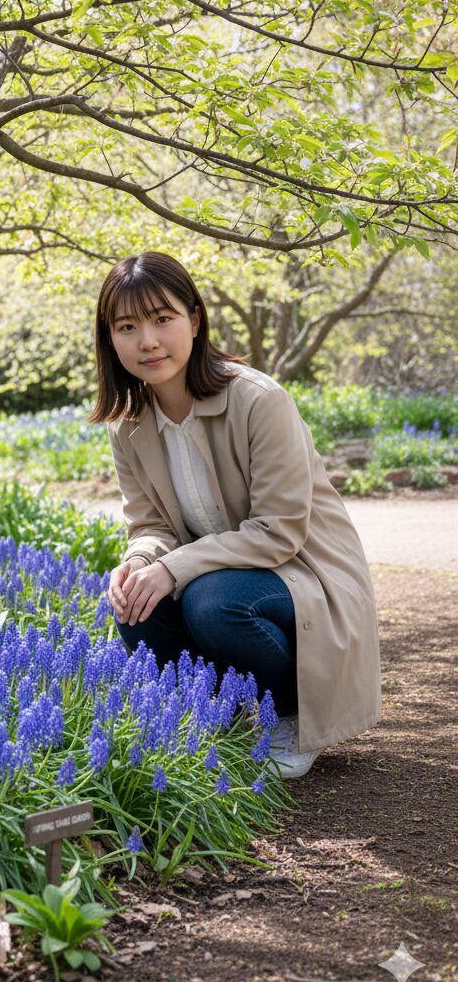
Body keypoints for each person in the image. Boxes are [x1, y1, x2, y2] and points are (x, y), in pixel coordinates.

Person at [90, 251, 381, 778]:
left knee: (211, 602)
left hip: (304, 573)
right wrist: (139, 560)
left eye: (162, 319)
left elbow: (280, 530)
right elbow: (150, 524)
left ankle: (290, 713)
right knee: (135, 599)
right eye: (127, 326)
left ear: (195, 321)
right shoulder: (127, 424)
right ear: (110, 337)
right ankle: (207, 718)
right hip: (221, 570)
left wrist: (174, 568)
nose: (148, 341)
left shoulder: (257, 400)